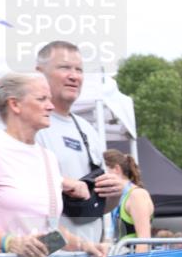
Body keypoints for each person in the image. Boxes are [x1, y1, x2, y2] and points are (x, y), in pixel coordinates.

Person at [0, 73, 106, 257]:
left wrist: (84, 245)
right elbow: (16, 241)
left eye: (50, 99)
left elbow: (48, 235)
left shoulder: (48, 157)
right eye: (42, 99)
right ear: (15, 105)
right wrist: (10, 243)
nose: (51, 106)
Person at [35, 40, 126, 243]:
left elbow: (97, 207)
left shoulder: (86, 129)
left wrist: (114, 194)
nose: (74, 76)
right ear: (40, 73)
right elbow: (18, 197)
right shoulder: (27, 124)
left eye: (79, 70)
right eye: (64, 67)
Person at [103, 149, 154, 252]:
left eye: (103, 171)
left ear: (116, 169)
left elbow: (144, 240)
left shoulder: (137, 195)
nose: (100, 176)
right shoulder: (114, 198)